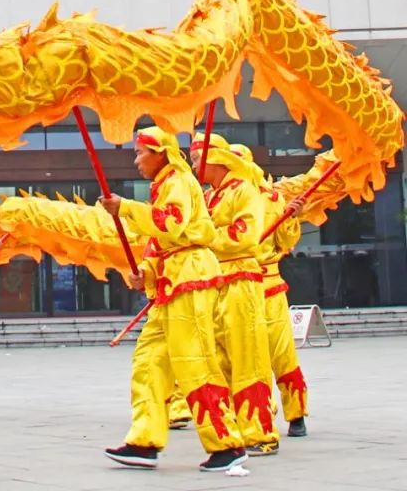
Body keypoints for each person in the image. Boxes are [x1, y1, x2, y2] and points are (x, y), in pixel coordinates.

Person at [99, 126, 248, 472]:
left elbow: (171, 225)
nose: (136, 161)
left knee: (194, 362)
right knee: (149, 360)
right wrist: (146, 272)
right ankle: (144, 440)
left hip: (191, 279)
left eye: (140, 153)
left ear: (161, 153)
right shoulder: (164, 185)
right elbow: (161, 242)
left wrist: (124, 208)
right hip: (171, 282)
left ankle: (227, 443)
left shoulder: (179, 180)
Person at [190, 133, 278, 457]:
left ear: (215, 158)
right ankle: (234, 429)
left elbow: (245, 235)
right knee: (221, 358)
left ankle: (260, 431)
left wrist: (205, 235)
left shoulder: (243, 190)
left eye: (197, 156)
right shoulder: (209, 197)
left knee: (248, 357)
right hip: (214, 282)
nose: (193, 163)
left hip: (241, 279)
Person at [233, 143, 309, 438]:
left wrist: (291, 217)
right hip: (237, 287)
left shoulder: (272, 199)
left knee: (282, 352)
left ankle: (296, 412)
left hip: (270, 285)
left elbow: (285, 243)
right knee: (247, 356)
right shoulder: (219, 200)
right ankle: (257, 415)